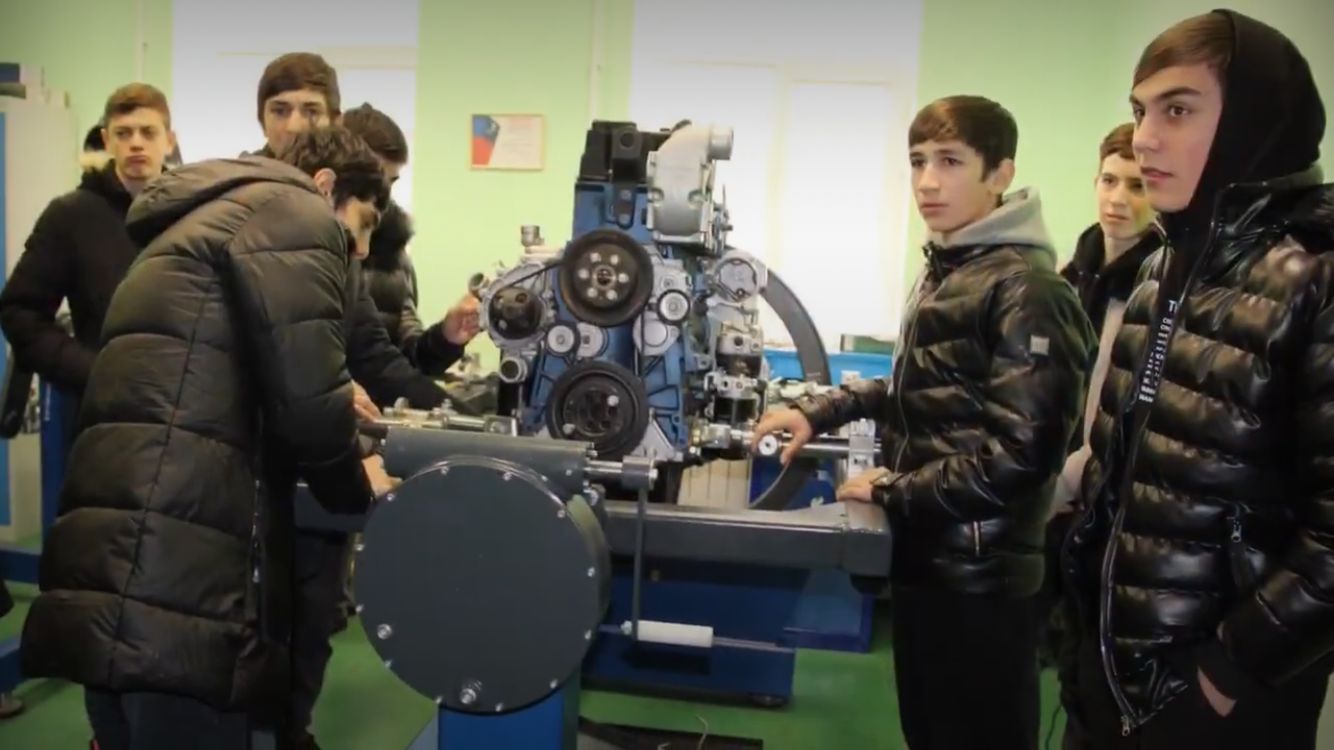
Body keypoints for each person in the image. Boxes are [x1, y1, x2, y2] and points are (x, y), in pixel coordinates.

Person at [18, 125, 396, 748]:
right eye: (363, 223)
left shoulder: (204, 218)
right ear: (326, 185)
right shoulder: (295, 211)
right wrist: (358, 480)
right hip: (181, 577)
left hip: (120, 558)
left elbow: (217, 367)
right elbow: (307, 407)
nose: (360, 248)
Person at [753, 95, 1095, 749]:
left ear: (1000, 174)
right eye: (917, 161)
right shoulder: (949, 268)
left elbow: (1021, 456)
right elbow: (917, 388)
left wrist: (891, 490)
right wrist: (817, 411)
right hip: (930, 560)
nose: (927, 182)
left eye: (950, 161)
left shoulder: (1027, 289)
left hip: (979, 577)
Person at [1060, 10, 1333, 749]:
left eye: (1177, 110)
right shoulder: (1158, 270)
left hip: (1223, 702)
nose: (1145, 137)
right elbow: (1121, 476)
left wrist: (1228, 671)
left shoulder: (1316, 279)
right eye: (1140, 111)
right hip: (1110, 676)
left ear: (1253, 120)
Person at [250, 53, 477, 750]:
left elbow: (376, 354)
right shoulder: (242, 228)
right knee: (245, 621)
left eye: (311, 111)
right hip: (241, 471)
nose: (296, 126)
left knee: (311, 610)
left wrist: (465, 424)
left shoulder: (341, 253)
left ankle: (289, 730)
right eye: (281, 110)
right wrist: (344, 435)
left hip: (315, 455)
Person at [1037, 123, 1161, 669]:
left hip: (1108, 501)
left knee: (1088, 657)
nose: (1118, 199)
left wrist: (1065, 486)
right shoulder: (1070, 276)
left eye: (1136, 186)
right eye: (1109, 181)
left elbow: (1123, 411)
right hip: (1050, 483)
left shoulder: (1160, 292)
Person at [0, 83, 175, 433]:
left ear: (169, 141)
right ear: (107, 140)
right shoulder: (69, 217)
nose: (136, 143)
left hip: (182, 414)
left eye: (148, 132)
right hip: (106, 420)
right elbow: (19, 313)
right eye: (123, 133)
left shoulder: (194, 214)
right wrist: (93, 372)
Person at [341, 102, 479, 375]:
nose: (381, 196)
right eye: (372, 181)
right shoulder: (302, 247)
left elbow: (406, 362)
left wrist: (446, 337)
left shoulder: (394, 253)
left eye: (390, 183)